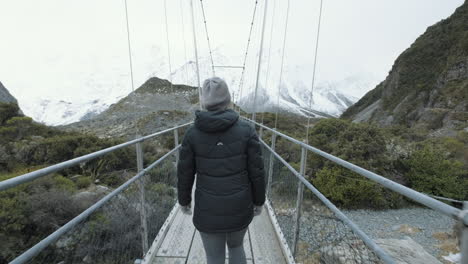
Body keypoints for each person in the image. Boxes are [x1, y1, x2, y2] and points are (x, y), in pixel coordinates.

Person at [177, 77, 266, 264]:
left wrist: (184, 201)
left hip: (207, 209)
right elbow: (257, 171)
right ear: (228, 100)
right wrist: (259, 201)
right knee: (236, 247)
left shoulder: (192, 134)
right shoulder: (247, 130)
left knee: (214, 257)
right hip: (240, 206)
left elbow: (185, 172)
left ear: (204, 102)